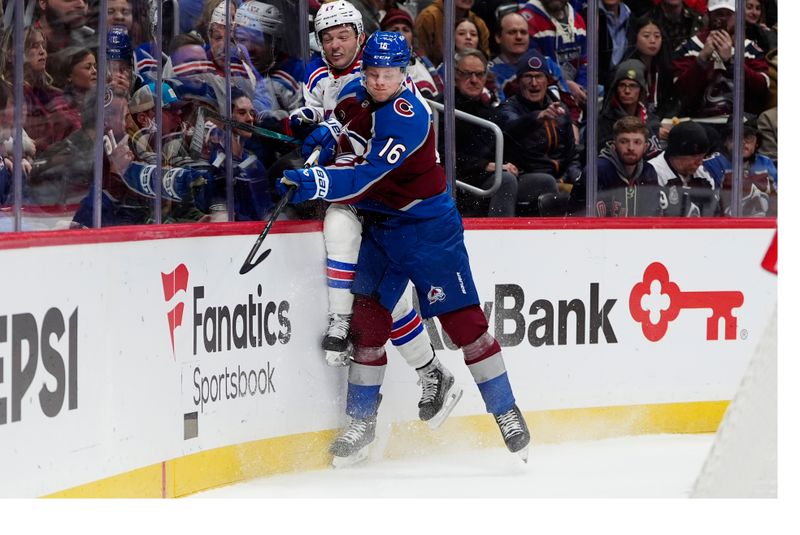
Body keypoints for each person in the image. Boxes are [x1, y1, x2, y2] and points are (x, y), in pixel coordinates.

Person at [278, 31, 530, 463]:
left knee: (462, 323)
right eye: (372, 72)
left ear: (403, 72)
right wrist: (324, 136)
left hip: (427, 228)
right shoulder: (359, 90)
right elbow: (344, 126)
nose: (378, 81)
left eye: (388, 74)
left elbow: (365, 177)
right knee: (368, 326)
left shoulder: (408, 116)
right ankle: (360, 422)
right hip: (382, 225)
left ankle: (506, 411)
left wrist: (317, 180)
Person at [291, 2, 460, 434]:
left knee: (374, 290)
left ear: (360, 36)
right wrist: (313, 124)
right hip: (361, 190)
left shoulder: (381, 74)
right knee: (387, 306)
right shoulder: (321, 76)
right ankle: (415, 383)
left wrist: (328, 149)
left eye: (342, 35)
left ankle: (343, 324)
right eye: (327, 37)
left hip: (392, 201)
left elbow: (373, 133)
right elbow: (330, 119)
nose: (335, 44)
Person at [444, 48, 526, 217]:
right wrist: (487, 166)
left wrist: (510, 165)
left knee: (542, 181)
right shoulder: (443, 108)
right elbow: (442, 155)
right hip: (460, 183)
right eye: (467, 74)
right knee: (505, 180)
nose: (474, 80)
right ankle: (501, 240)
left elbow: (505, 146)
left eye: (479, 74)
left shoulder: (487, 110)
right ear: (455, 75)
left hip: (486, 177)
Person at [498, 49, 580, 215]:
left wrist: (575, 177)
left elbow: (572, 155)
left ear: (546, 80)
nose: (534, 83)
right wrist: (538, 117)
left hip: (559, 179)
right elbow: (512, 127)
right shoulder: (509, 108)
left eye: (538, 76)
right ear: (519, 81)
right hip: (525, 179)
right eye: (528, 77)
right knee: (547, 183)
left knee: (589, 181)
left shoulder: (559, 109)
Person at [672, 0, 770, 121]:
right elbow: (679, 91)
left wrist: (731, 62)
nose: (723, 19)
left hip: (741, 122)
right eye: (718, 14)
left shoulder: (750, 49)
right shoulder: (690, 46)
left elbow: (762, 88)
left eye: (728, 14)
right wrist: (702, 59)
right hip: (697, 121)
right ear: (708, 15)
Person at [234, 1, 304, 126]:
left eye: (257, 40)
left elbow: (301, 125)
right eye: (243, 39)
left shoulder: (291, 74)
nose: (249, 49)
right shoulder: (230, 69)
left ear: (274, 44)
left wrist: (281, 121)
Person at [518, 0, 588, 108]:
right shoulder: (527, 19)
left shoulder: (578, 19)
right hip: (546, 96)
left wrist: (581, 88)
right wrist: (566, 86)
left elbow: (585, 62)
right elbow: (534, 68)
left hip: (577, 92)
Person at [703, 117, 777, 216]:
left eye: (748, 137)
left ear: (757, 143)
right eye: (735, 137)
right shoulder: (713, 163)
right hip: (726, 227)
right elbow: (710, 208)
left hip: (763, 225)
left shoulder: (765, 162)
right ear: (725, 141)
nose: (742, 142)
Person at [593, 116, 661, 217]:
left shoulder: (648, 172)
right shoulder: (597, 171)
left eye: (637, 142)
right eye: (624, 141)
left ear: (645, 147)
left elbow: (653, 217)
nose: (631, 148)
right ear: (614, 145)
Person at [649, 120, 719, 217]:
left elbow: (713, 215)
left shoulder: (703, 176)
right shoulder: (652, 173)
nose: (700, 162)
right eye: (695, 157)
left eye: (702, 157)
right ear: (676, 154)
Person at [597, 59, 663, 157]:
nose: (627, 91)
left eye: (633, 86)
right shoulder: (602, 123)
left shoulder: (651, 120)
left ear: (641, 90)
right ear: (616, 89)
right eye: (622, 85)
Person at [620, 14, 679, 120]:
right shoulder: (627, 70)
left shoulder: (663, 69)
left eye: (657, 36)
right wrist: (654, 127)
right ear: (635, 38)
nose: (652, 41)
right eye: (646, 36)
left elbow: (670, 104)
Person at [380, 7, 442, 99]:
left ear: (413, 37)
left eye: (406, 30)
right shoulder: (373, 65)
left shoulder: (423, 64)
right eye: (394, 30)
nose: (400, 34)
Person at [415, 0, 491, 67]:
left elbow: (485, 59)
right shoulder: (429, 17)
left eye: (473, 34)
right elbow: (420, 57)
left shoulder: (479, 23)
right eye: (461, 33)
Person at [488, 10, 530, 103]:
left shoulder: (546, 63)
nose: (519, 37)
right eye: (512, 32)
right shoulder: (490, 72)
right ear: (498, 38)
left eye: (523, 32)